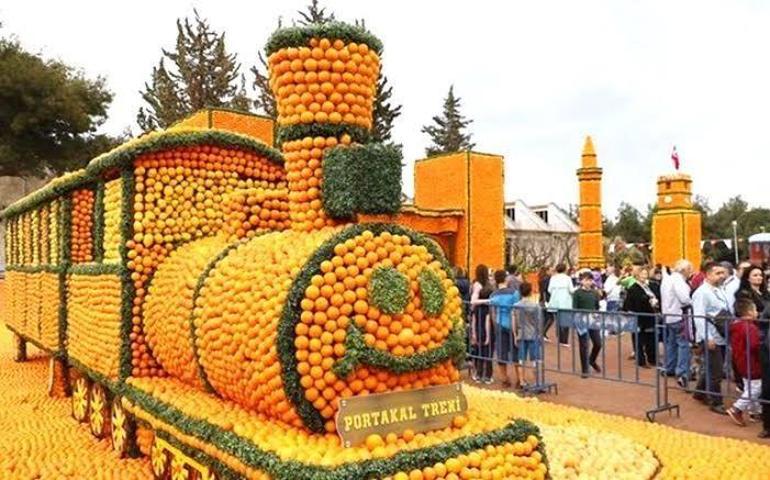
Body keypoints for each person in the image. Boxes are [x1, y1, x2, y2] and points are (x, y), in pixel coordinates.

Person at [692, 261, 729, 414]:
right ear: (708, 274)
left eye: (722, 273)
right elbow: (699, 317)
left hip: (721, 334)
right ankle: (715, 402)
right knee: (716, 370)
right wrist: (707, 337)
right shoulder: (702, 293)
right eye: (718, 273)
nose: (722, 276)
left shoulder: (719, 289)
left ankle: (700, 392)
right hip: (710, 336)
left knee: (712, 366)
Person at [726, 298, 763, 426]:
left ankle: (755, 412)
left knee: (750, 387)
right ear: (749, 312)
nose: (757, 312)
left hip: (741, 361)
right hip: (752, 362)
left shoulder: (736, 326)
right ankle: (737, 408)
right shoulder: (750, 327)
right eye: (755, 310)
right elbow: (754, 345)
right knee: (756, 388)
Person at [661, 259, 694, 387]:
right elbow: (684, 299)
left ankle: (669, 367)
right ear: (685, 270)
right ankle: (682, 372)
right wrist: (691, 301)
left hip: (668, 315)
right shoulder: (678, 281)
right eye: (690, 270)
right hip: (679, 315)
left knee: (671, 343)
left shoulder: (667, 279)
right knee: (683, 344)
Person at [489, 270, 521, 388]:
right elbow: (517, 310)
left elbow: (492, 312)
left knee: (501, 352)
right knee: (516, 352)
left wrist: (495, 324)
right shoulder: (514, 293)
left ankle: (504, 378)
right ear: (505, 279)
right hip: (512, 324)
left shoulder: (493, 295)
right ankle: (519, 379)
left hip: (499, 323)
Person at [623, 266, 660, 368]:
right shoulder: (633, 288)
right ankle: (641, 361)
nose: (644, 276)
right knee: (639, 340)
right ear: (637, 275)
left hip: (650, 316)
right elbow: (629, 304)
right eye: (642, 274)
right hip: (639, 317)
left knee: (651, 339)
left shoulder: (649, 286)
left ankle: (652, 359)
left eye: (645, 274)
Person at [573, 271, 602, 377]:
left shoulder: (594, 293)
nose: (588, 282)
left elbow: (597, 306)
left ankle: (592, 360)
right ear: (581, 281)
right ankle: (584, 369)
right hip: (582, 321)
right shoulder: (577, 293)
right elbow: (574, 308)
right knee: (584, 345)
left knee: (598, 343)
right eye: (586, 280)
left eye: (590, 280)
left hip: (593, 320)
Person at [470, 264, 495, 383]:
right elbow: (473, 300)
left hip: (483, 314)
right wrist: (488, 301)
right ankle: (483, 374)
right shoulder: (480, 285)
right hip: (483, 314)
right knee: (483, 344)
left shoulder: (483, 284)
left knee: (484, 344)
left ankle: (483, 374)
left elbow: (473, 302)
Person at [516, 282, 541, 387]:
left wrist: (515, 333)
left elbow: (515, 321)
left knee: (521, 359)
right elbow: (538, 321)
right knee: (535, 360)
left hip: (521, 333)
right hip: (533, 333)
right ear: (530, 292)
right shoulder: (535, 306)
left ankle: (522, 381)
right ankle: (537, 382)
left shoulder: (516, 306)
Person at [547, 263, 575, 347]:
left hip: (555, 302)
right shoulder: (567, 278)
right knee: (566, 321)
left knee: (558, 321)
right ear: (565, 269)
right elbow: (571, 290)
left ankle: (559, 339)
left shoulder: (553, 278)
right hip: (565, 303)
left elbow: (549, 290)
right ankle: (564, 340)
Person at [538, 267, 554, 341]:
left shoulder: (542, 279)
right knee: (550, 318)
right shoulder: (547, 279)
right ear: (547, 271)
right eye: (551, 270)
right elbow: (545, 291)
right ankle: (542, 333)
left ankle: (542, 333)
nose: (552, 272)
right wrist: (545, 301)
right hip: (546, 300)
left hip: (542, 299)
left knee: (545, 318)